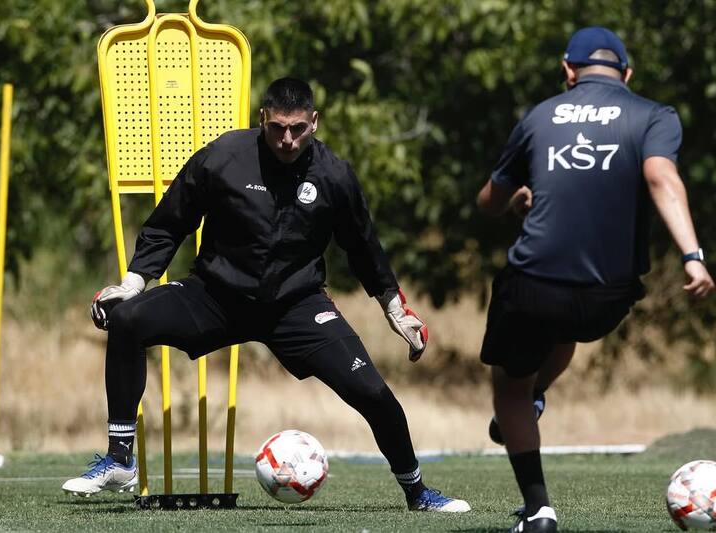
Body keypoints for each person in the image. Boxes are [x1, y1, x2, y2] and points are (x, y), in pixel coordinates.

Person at [62, 77, 470, 513]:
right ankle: (120, 459)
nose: (288, 139)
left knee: (372, 392)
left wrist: (394, 308)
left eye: (298, 128)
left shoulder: (334, 175)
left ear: (314, 122)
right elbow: (169, 223)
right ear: (262, 120)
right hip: (215, 296)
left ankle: (418, 493)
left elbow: (364, 247)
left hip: (296, 306)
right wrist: (132, 284)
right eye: (278, 128)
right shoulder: (222, 157)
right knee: (128, 320)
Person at [476, 27, 714, 533]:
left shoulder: (539, 116)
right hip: (608, 299)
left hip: (535, 284)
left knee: (509, 389)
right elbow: (661, 179)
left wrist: (517, 197)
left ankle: (539, 509)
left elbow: (488, 203)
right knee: (564, 328)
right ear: (627, 74)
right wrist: (693, 256)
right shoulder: (654, 115)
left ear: (568, 71)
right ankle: (537, 396)